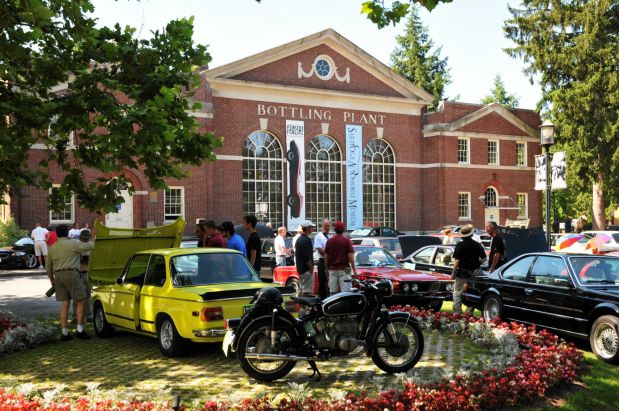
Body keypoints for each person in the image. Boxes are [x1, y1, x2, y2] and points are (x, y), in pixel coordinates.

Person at [46, 224, 95, 340]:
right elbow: (90, 246)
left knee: (65, 303)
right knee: (81, 300)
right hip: (72, 273)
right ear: (67, 233)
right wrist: (93, 236)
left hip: (58, 275)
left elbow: (48, 267)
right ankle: (80, 330)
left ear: (57, 234)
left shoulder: (52, 247)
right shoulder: (72, 243)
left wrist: (51, 280)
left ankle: (64, 333)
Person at [451, 224, 486, 315]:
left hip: (462, 273)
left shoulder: (460, 245)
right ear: (471, 234)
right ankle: (469, 312)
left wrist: (453, 273)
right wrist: (477, 264)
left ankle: (457, 313)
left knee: (457, 293)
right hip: (474, 273)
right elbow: (484, 258)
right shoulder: (477, 245)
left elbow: (457, 261)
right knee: (472, 292)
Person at [324, 221, 357, 295]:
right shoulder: (347, 241)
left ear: (334, 230)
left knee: (333, 292)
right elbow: (350, 257)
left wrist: (326, 269)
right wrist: (354, 270)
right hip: (346, 268)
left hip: (332, 268)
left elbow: (326, 256)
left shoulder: (329, 241)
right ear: (343, 230)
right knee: (347, 292)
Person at [72, 229, 93, 322]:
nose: (84, 241)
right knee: (77, 296)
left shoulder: (89, 246)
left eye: (86, 239)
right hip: (77, 273)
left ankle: (88, 315)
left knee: (87, 295)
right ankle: (76, 317)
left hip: (86, 273)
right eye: (83, 239)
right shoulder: (77, 245)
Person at [294, 220, 315, 296]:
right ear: (307, 228)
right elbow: (307, 257)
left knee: (302, 289)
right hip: (306, 270)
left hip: (301, 269)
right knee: (307, 291)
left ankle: (299, 306)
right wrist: (311, 268)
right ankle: (303, 307)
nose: (313, 228)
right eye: (311, 227)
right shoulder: (305, 240)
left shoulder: (300, 239)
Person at [313, 219, 331, 298]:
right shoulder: (318, 236)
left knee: (330, 282)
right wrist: (328, 255)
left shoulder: (331, 236)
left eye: (328, 225)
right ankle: (322, 298)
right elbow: (320, 250)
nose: (327, 227)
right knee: (322, 282)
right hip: (322, 261)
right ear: (322, 226)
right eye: (325, 225)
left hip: (330, 261)